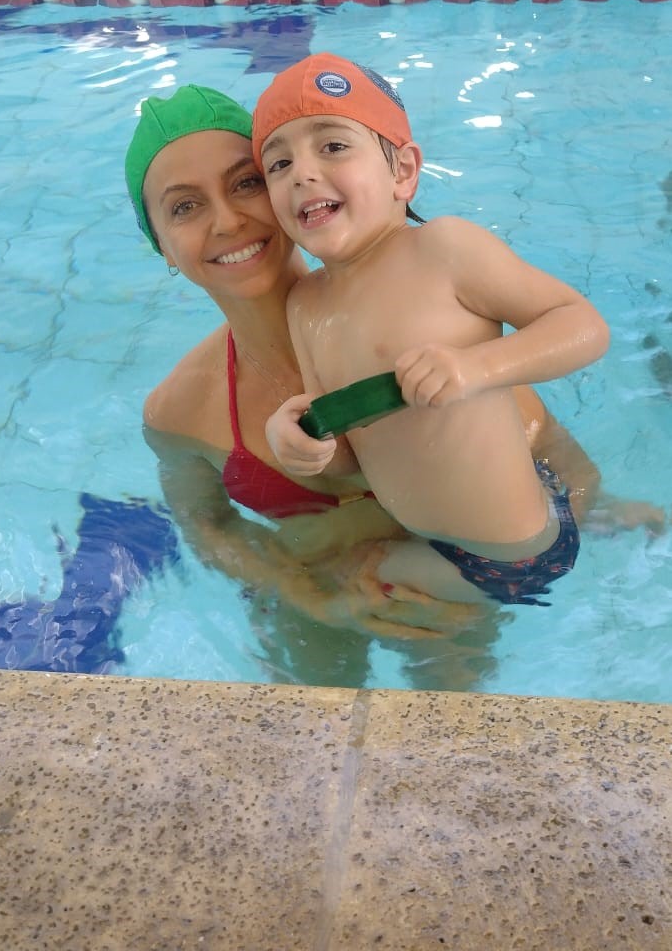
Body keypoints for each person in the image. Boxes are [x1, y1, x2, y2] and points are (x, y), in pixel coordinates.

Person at [124, 84, 620, 675]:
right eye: (184, 207)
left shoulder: (427, 321)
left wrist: (592, 516)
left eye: (247, 182)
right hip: (318, 600)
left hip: (448, 585)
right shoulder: (177, 410)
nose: (228, 220)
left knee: (448, 696)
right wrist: (309, 597)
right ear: (161, 246)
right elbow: (206, 526)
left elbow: (555, 462)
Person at [253, 52, 610, 608]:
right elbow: (349, 453)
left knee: (350, 579)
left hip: (514, 555)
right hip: (440, 532)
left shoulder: (445, 250)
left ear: (403, 171)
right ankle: (616, 517)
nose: (301, 172)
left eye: (333, 146)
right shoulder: (305, 306)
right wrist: (301, 443)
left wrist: (476, 366)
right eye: (278, 164)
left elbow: (583, 326)